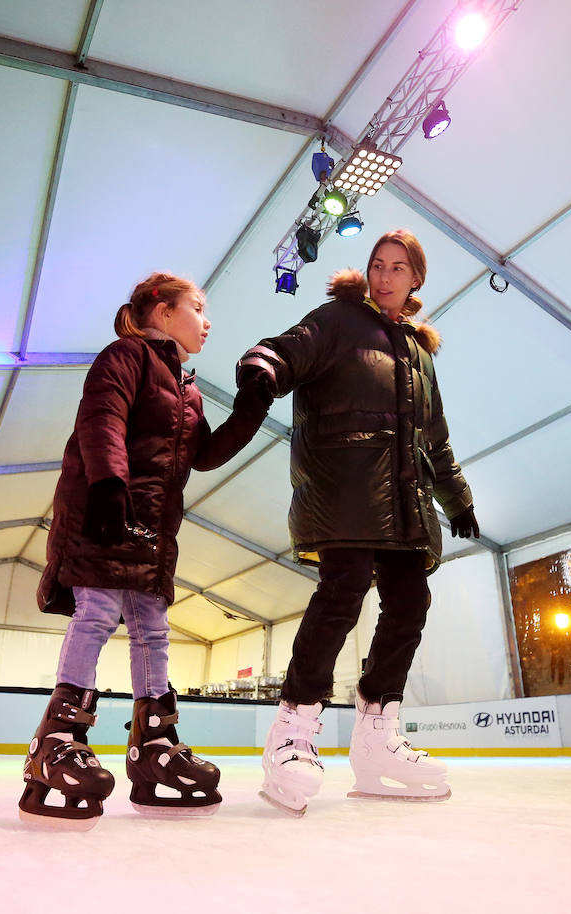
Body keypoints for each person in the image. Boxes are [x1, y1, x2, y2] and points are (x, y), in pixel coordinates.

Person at [236, 229, 480, 815]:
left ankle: (377, 736)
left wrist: (458, 500)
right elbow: (289, 347)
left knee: (410, 602)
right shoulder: (338, 320)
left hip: (405, 501)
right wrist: (265, 366)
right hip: (343, 489)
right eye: (378, 265)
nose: (386, 276)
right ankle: (292, 733)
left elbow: (433, 438)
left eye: (399, 268)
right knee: (342, 596)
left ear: (416, 278)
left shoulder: (419, 352)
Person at [22, 272, 268, 829]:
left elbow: (203, 454)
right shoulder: (125, 356)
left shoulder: (186, 386)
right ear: (162, 312)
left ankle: (153, 746)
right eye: (198, 308)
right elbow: (102, 416)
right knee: (97, 615)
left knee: (153, 627)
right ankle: (57, 742)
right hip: (105, 515)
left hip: (153, 532)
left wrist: (252, 407)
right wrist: (109, 485)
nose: (208, 322)